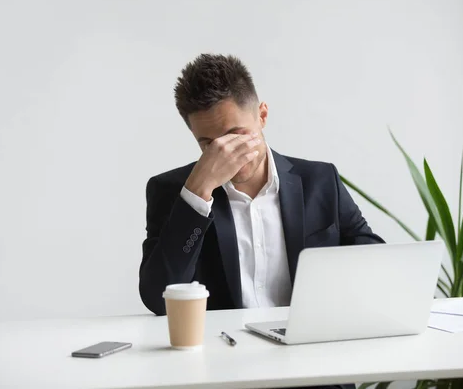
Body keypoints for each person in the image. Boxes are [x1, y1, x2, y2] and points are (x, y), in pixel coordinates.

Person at [139, 53, 384, 389]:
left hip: (314, 371)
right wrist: (197, 193)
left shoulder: (319, 180)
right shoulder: (172, 193)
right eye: (209, 145)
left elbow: (374, 261)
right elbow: (157, 299)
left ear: (262, 116)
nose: (226, 154)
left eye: (236, 135)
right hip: (222, 375)